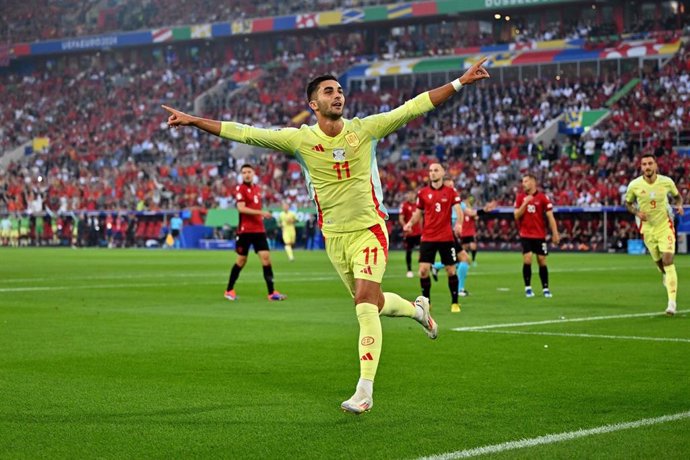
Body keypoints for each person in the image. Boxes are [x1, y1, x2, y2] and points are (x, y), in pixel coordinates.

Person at [162, 57, 490, 414]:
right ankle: (418, 311)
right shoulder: (299, 140)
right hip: (334, 238)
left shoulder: (366, 129)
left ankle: (365, 389)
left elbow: (414, 107)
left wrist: (459, 82)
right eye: (328, 91)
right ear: (313, 104)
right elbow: (246, 132)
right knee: (375, 304)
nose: (338, 96)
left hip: (370, 230)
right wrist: (195, 121)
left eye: (339, 90)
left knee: (364, 307)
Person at [624, 153, 684, 315]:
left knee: (668, 259)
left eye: (650, 163)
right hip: (647, 228)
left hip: (665, 225)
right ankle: (665, 275)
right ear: (641, 167)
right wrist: (637, 212)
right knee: (658, 262)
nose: (647, 167)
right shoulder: (634, 185)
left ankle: (672, 303)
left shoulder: (666, 182)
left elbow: (678, 197)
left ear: (656, 165)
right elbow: (628, 203)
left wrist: (679, 206)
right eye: (644, 164)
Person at [404, 165, 464, 312]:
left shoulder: (451, 192)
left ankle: (455, 302)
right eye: (430, 171)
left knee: (451, 270)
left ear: (443, 173)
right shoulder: (423, 193)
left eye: (436, 170)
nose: (432, 173)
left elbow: (458, 210)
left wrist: (459, 224)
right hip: (428, 237)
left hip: (446, 237)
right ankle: (427, 303)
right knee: (423, 271)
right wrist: (410, 223)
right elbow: (418, 213)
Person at [224, 164, 287, 302]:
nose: (246, 174)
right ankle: (229, 290)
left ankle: (271, 293)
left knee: (266, 258)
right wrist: (261, 212)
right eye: (244, 172)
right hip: (245, 231)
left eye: (249, 172)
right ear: (241, 175)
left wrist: (261, 215)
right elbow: (241, 208)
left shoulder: (257, 189)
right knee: (241, 261)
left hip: (259, 229)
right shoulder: (240, 189)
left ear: (253, 173)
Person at [514, 173, 560, 298]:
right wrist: (525, 203)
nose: (523, 184)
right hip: (526, 234)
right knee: (527, 258)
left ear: (533, 182)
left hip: (539, 235)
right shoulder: (520, 197)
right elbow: (516, 215)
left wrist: (555, 233)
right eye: (522, 181)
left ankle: (545, 288)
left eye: (526, 181)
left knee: (542, 260)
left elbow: (550, 217)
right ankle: (528, 288)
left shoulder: (543, 198)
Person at [398, 191, 422, 278]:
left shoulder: (418, 205)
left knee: (422, 251)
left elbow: (421, 218)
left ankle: (421, 269)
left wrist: (422, 229)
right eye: (409, 194)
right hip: (409, 233)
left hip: (418, 232)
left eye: (411, 194)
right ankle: (409, 270)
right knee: (409, 251)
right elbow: (401, 218)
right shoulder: (404, 205)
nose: (410, 195)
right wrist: (406, 227)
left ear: (414, 195)